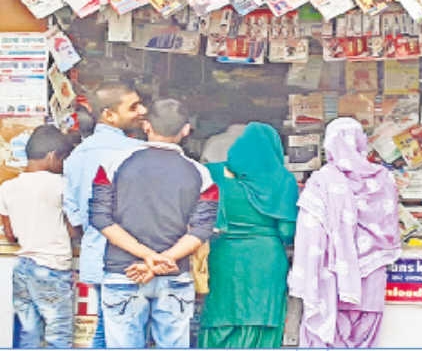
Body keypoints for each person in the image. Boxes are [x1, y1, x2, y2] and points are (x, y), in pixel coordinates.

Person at [89, 98, 218, 348]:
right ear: (186, 130)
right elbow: (201, 229)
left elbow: (101, 218)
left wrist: (148, 258)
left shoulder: (111, 165)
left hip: (124, 273)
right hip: (174, 275)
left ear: (146, 126)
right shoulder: (201, 174)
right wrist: (161, 260)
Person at [288, 117, 401, 347]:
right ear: (360, 142)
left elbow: (310, 236)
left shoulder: (322, 181)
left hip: (332, 285)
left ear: (329, 144)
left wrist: (306, 279)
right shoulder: (384, 179)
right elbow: (390, 230)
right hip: (371, 283)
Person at [199, 122, 299, 348]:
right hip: (266, 260)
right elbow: (287, 232)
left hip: (223, 255)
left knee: (220, 317)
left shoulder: (213, 173)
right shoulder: (283, 180)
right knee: (262, 319)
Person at [62, 82, 147, 347]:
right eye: (133, 107)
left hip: (95, 257)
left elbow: (74, 216)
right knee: (127, 335)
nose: (143, 111)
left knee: (102, 328)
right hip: (130, 262)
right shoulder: (137, 152)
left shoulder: (77, 156)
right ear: (109, 114)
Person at [0, 125, 77, 348]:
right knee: (58, 335)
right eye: (62, 159)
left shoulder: (7, 187)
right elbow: (74, 230)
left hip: (23, 268)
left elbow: (10, 235)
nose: (63, 165)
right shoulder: (61, 185)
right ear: (52, 156)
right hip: (52, 267)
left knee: (27, 333)